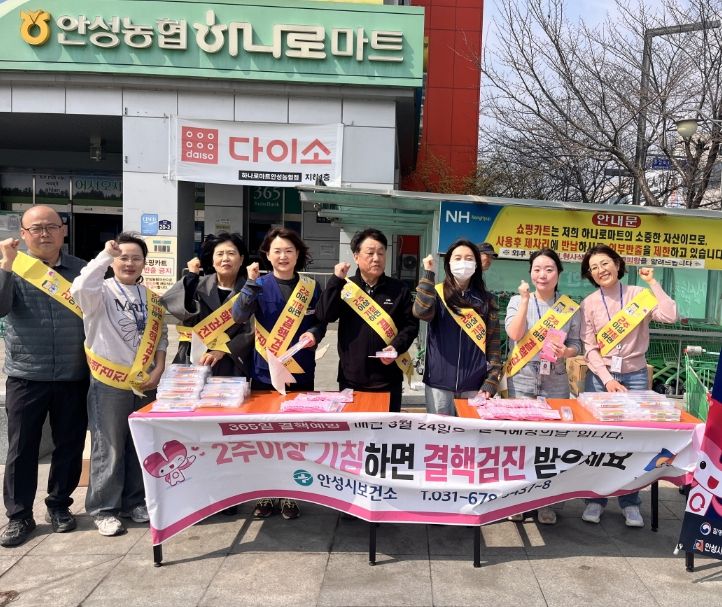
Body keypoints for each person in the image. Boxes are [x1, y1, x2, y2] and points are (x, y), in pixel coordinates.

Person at [0, 206, 88, 547]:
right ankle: (19, 516)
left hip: (73, 374)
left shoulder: (81, 270)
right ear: (23, 234)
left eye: (51, 226)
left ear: (64, 230)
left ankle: (59, 505)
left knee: (69, 443)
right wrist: (6, 266)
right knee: (21, 448)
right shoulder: (14, 267)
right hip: (27, 375)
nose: (44, 233)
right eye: (36, 228)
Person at [71, 233, 168, 537]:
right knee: (109, 446)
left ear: (144, 263)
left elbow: (161, 336)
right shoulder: (99, 292)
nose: (129, 263)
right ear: (113, 261)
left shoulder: (151, 298)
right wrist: (103, 256)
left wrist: (160, 367)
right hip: (109, 382)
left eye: (136, 258)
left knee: (140, 445)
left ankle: (134, 502)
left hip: (145, 382)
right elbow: (79, 287)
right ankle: (104, 509)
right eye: (123, 257)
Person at [579, 244, 677, 528]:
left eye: (604, 263)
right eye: (594, 267)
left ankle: (630, 502)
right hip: (601, 378)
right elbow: (589, 346)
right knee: (598, 441)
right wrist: (607, 378)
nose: (600, 270)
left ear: (617, 264)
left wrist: (652, 282)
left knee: (633, 441)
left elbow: (669, 315)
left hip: (635, 375)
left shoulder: (637, 294)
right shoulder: (589, 303)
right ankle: (595, 500)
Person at [232, 227, 326, 520]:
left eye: (289, 250)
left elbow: (321, 321)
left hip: (300, 371)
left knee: (296, 436)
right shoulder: (258, 284)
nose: (283, 256)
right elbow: (238, 315)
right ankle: (266, 493)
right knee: (265, 437)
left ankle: (291, 494)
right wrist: (249, 284)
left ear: (298, 254)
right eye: (277, 251)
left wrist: (314, 333)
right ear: (267, 255)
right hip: (265, 372)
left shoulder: (311, 287)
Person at [504, 248, 582, 525]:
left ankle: (545, 503)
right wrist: (526, 300)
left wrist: (566, 352)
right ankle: (516, 500)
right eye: (537, 269)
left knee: (551, 445)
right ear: (530, 273)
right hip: (522, 377)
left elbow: (577, 344)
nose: (542, 275)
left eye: (549, 269)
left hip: (555, 379)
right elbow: (514, 334)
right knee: (520, 442)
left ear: (558, 273)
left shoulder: (570, 307)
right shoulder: (517, 300)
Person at [316, 228, 419, 413]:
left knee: (386, 429)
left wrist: (396, 347)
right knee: (353, 429)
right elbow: (324, 315)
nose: (376, 258)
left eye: (381, 253)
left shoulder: (399, 289)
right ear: (356, 256)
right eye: (370, 253)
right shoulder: (345, 287)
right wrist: (335, 281)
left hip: (388, 378)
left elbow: (410, 326)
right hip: (352, 378)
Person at [413, 239, 501, 415]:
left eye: (469, 258)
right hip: (439, 384)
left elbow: (493, 344)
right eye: (458, 258)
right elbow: (421, 312)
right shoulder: (437, 294)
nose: (463, 263)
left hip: (474, 386)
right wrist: (429, 274)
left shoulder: (487, 300)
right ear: (449, 263)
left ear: (476, 265)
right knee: (439, 432)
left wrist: (491, 381)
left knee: (470, 432)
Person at [161, 232, 253, 378]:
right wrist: (191, 277)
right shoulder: (197, 284)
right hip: (194, 360)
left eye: (231, 253)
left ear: (241, 259)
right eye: (220, 254)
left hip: (231, 362)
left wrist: (223, 350)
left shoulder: (250, 290)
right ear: (212, 260)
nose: (225, 258)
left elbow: (252, 329)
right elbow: (180, 311)